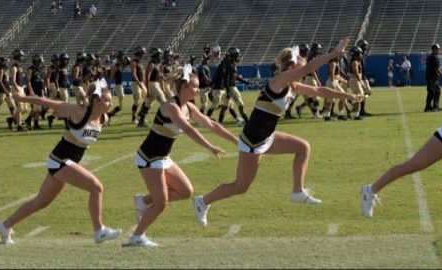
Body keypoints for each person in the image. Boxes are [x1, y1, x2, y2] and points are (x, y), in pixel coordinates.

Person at [191, 37, 364, 227]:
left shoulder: (292, 86)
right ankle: (202, 202)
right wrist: (334, 54)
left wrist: (347, 96)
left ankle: (297, 192)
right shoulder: (278, 81)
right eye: (300, 66)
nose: (304, 69)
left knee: (303, 147)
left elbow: (319, 91)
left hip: (268, 137)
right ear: (291, 67)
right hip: (253, 141)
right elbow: (308, 69)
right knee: (240, 187)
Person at [0, 79, 122, 245]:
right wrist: (21, 98)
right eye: (107, 100)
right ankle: (99, 231)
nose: (110, 103)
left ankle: (4, 226)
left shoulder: (103, 117)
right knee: (96, 187)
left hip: (66, 162)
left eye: (110, 100)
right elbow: (44, 101)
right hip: (60, 160)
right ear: (95, 100)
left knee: (40, 202)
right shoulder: (78, 112)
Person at [126, 66, 237, 247]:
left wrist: (235, 140)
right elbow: (188, 129)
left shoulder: (189, 107)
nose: (198, 89)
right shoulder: (171, 107)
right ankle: (137, 236)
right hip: (148, 158)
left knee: (185, 191)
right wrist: (210, 147)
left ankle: (144, 200)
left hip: (162, 158)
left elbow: (210, 123)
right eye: (195, 86)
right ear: (184, 87)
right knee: (160, 204)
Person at [0, 57, 15, 124]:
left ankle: (15, 119)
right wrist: (6, 92)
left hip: (7, 91)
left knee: (12, 106)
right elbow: (0, 82)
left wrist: (9, 88)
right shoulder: (0, 70)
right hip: (1, 92)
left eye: (6, 62)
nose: (6, 63)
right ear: (1, 62)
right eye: (5, 62)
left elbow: (6, 81)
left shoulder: (5, 70)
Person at [425, 44, 442, 112]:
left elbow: (431, 67)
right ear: (434, 50)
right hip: (432, 77)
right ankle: (428, 107)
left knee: (437, 91)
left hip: (431, 77)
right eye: (438, 49)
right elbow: (438, 69)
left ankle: (436, 106)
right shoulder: (435, 58)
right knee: (431, 92)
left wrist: (437, 73)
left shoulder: (429, 57)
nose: (439, 50)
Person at [131, 47, 148, 124]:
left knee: (148, 99)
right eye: (142, 53)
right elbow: (134, 74)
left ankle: (141, 115)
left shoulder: (140, 63)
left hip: (141, 83)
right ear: (139, 53)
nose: (143, 55)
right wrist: (139, 83)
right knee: (137, 101)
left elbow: (142, 75)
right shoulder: (133, 62)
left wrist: (144, 83)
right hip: (136, 83)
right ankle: (133, 119)